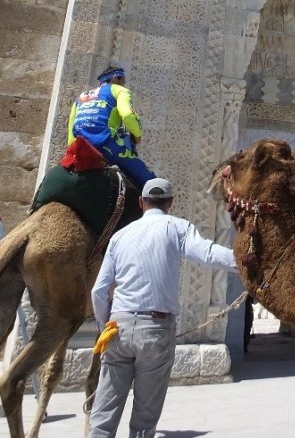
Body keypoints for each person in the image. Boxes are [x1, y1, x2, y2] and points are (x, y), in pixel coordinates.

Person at [87, 177, 237, 438]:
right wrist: (247, 263)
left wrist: (104, 327)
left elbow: (99, 291)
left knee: (105, 412)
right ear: (170, 203)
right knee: (145, 417)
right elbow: (208, 253)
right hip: (156, 328)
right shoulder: (177, 228)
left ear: (141, 202)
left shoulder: (120, 236)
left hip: (117, 327)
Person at [67, 63, 155, 190]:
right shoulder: (119, 90)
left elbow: (71, 130)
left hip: (79, 148)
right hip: (106, 144)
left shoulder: (80, 98)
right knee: (152, 183)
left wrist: (71, 153)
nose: (124, 84)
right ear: (116, 77)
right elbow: (128, 115)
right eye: (123, 80)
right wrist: (137, 135)